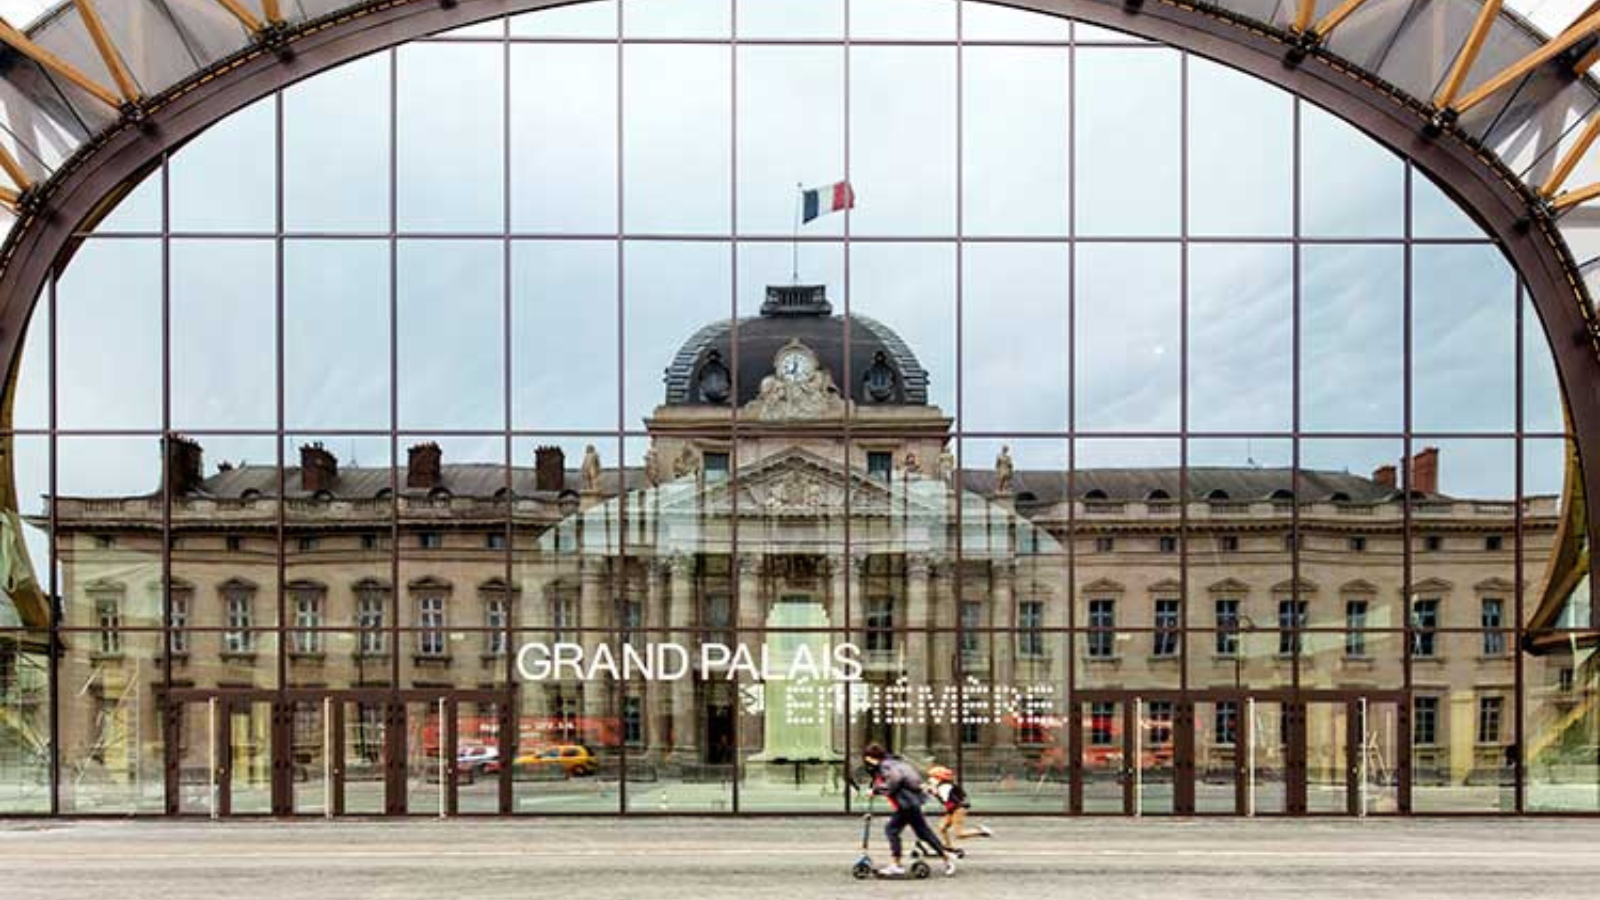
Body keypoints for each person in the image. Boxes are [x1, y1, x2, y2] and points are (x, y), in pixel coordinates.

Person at [862, 743, 955, 877]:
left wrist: (876, 790)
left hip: (906, 803)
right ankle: (947, 857)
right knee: (923, 832)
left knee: (891, 830)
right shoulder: (895, 762)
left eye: (867, 758)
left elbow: (894, 781)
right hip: (912, 802)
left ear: (871, 757)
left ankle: (896, 864)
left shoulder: (886, 766)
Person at [925, 765, 993, 854]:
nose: (930, 779)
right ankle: (948, 846)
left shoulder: (944, 787)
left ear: (939, 778)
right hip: (954, 808)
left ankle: (982, 832)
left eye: (932, 777)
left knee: (959, 834)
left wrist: (934, 792)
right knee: (942, 827)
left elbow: (945, 801)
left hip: (958, 809)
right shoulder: (944, 785)